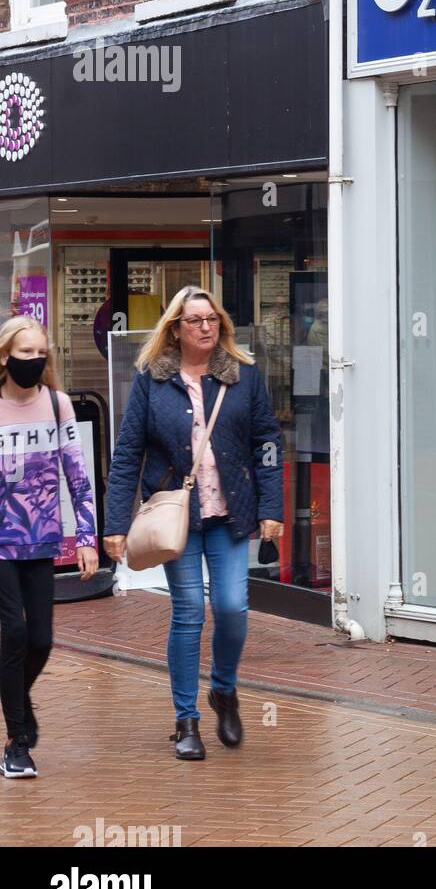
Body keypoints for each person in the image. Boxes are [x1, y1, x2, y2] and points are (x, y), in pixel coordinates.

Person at [103, 287, 284, 760]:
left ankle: (223, 689)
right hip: (175, 519)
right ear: (175, 329)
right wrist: (116, 523)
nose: (207, 327)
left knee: (231, 609)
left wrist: (272, 508)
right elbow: (127, 455)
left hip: (230, 514)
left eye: (213, 319)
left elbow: (267, 442)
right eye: (195, 321)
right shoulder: (152, 380)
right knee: (188, 613)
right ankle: (186, 719)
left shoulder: (242, 377)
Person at [0, 317, 97, 779]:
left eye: (41, 353)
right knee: (14, 635)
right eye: (25, 353)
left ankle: (17, 696)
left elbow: (79, 478)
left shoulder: (59, 407)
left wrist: (87, 538)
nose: (35, 361)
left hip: (41, 542)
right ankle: (18, 742)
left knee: (41, 638)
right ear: (4, 356)